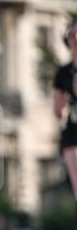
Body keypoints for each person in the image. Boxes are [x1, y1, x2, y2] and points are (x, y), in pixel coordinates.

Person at [53, 19, 77, 200]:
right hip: (73, 128)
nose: (75, 39)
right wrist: (61, 107)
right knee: (72, 154)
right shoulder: (63, 73)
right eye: (71, 36)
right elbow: (58, 111)